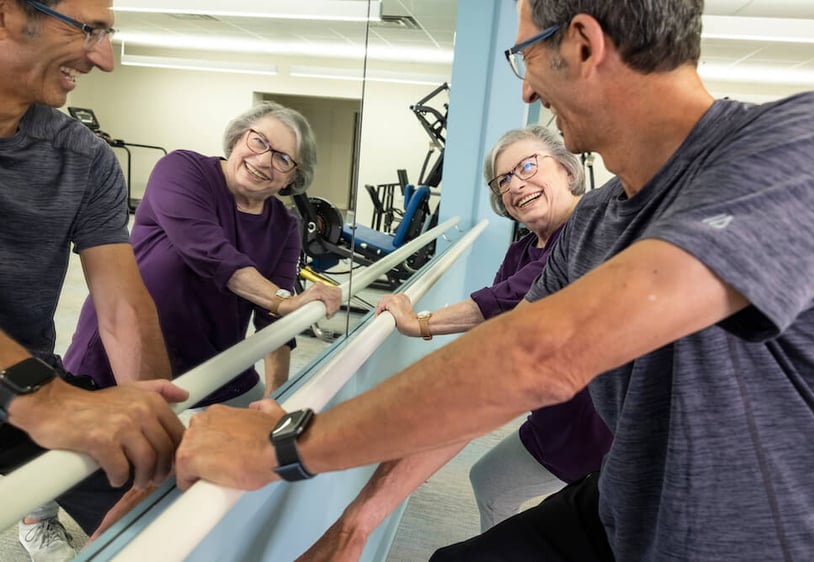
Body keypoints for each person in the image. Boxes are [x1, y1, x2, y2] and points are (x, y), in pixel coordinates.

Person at [176, 0, 814, 560]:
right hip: (626, 511)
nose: (525, 90)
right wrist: (360, 520)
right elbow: (491, 378)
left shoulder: (802, 140)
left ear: (582, 44)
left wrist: (286, 447)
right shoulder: (594, 224)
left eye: (525, 56)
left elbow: (543, 355)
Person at [297, 124, 611, 561]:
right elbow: (494, 332)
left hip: (597, 429)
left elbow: (504, 302)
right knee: (491, 482)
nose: (515, 185)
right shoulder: (523, 248)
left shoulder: (593, 226)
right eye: (503, 181)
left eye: (526, 166)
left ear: (566, 167)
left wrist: (419, 323)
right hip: (553, 419)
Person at [0, 0, 188, 560]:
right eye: (90, 30)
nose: (104, 58)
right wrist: (41, 396)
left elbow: (122, 309)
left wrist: (150, 440)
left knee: (168, 505)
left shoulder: (83, 158)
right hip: (24, 387)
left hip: (21, 383)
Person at [64, 102, 342, 406]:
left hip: (217, 372)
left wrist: (275, 399)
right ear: (238, 138)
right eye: (259, 141)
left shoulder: (284, 226)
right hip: (123, 357)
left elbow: (273, 321)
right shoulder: (182, 170)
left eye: (283, 158)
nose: (264, 161)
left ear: (293, 178)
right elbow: (210, 253)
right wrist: (284, 301)